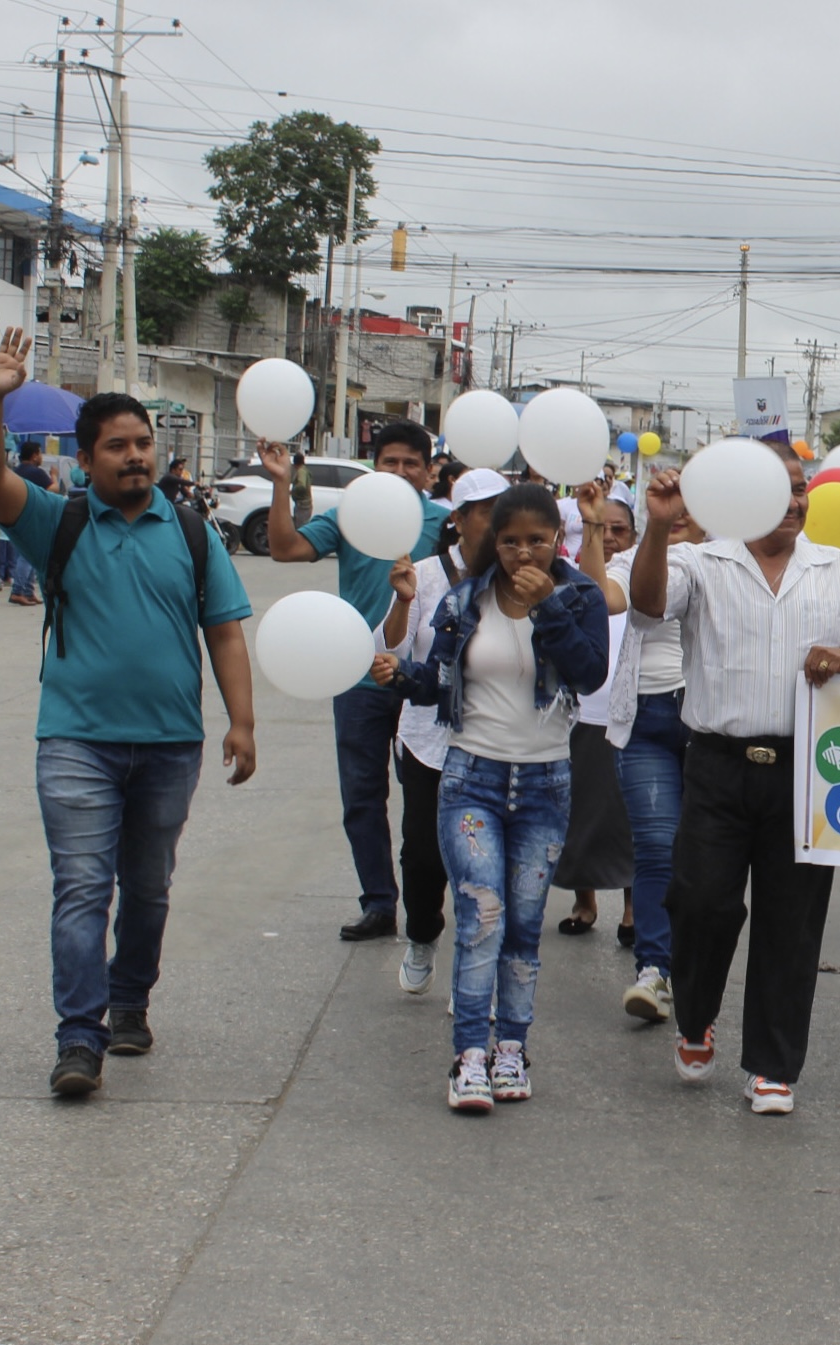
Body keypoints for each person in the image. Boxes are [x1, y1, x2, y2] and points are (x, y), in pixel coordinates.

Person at [0, 328, 256, 1097]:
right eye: (118, 446)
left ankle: (130, 1001)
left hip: (170, 743)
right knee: (82, 887)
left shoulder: (191, 531)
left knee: (149, 887)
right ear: (87, 458)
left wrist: (243, 721)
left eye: (143, 444)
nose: (135, 457)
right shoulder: (54, 521)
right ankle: (78, 1036)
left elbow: (224, 631)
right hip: (76, 742)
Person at [629, 446, 840, 1117]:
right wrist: (657, 526)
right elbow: (648, 606)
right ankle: (695, 1018)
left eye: (802, 488)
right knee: (700, 903)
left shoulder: (837, 569)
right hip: (717, 765)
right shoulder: (701, 562)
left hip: (808, 769)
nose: (797, 501)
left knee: (792, 923)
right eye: (782, 489)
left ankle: (773, 1067)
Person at [370, 483, 611, 1112]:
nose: (524, 554)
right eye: (510, 542)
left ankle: (512, 1049)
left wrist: (548, 608)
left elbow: (590, 674)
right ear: (491, 543)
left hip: (544, 783)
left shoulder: (579, 596)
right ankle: (469, 1056)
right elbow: (438, 680)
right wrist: (401, 675)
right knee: (482, 918)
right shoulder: (464, 600)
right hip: (471, 778)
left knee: (525, 927)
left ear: (557, 540)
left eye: (537, 540)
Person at [259, 427, 453, 941]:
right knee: (362, 796)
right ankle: (379, 902)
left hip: (423, 681)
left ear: (429, 471)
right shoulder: (351, 515)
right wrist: (280, 483)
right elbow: (285, 548)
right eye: (390, 462)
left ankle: (425, 902)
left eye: (412, 463)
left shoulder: (444, 524)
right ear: (373, 466)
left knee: (426, 798)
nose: (400, 472)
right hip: (358, 675)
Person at [375, 467, 513, 995]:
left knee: (485, 862)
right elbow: (390, 651)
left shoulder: (517, 576)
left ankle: (474, 973)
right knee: (424, 856)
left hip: (495, 739)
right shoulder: (426, 574)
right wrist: (403, 600)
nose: (498, 524)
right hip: (429, 743)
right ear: (458, 519)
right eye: (487, 513)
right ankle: (422, 934)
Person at [594, 494, 707, 1012]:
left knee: (706, 854)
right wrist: (593, 526)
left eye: (692, 504)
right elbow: (605, 598)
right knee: (657, 846)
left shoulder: (729, 562)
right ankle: (655, 970)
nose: (680, 513)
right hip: (645, 718)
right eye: (670, 506)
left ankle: (696, 967)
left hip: (710, 721)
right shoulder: (632, 559)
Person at [548, 485, 638, 963]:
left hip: (633, 716)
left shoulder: (642, 576)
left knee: (631, 818)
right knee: (580, 811)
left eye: (620, 530)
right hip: (584, 713)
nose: (612, 538)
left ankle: (633, 910)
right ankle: (585, 903)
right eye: (603, 530)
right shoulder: (574, 581)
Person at [5, 441, 56, 607]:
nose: (41, 457)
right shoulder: (36, 472)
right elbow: (53, 489)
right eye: (40, 453)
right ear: (34, 455)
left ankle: (28, 591)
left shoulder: (17, 471)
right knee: (27, 556)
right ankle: (18, 591)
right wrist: (54, 476)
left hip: (17, 515)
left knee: (28, 554)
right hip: (32, 517)